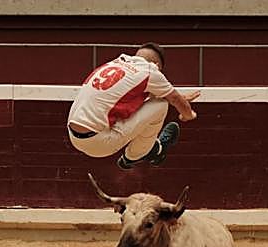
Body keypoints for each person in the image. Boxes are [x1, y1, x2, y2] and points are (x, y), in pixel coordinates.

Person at [66, 43, 199, 170]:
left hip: (73, 136)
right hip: (99, 143)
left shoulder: (115, 63)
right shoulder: (150, 70)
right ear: (157, 66)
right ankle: (135, 156)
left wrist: (180, 99)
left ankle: (151, 148)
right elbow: (174, 99)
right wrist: (188, 114)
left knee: (142, 103)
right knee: (161, 105)